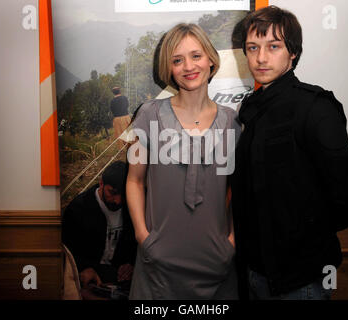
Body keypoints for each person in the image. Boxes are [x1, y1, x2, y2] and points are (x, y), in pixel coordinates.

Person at [231, 6, 348, 300]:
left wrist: (299, 236)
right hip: (254, 273)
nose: (261, 57)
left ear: (292, 52)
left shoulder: (316, 106)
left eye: (274, 46)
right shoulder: (251, 109)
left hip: (301, 280)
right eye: (253, 47)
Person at [126, 23, 241, 299]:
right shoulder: (148, 114)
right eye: (178, 60)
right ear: (169, 68)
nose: (189, 66)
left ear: (211, 60)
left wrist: (232, 243)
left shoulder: (235, 121)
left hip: (216, 265)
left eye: (196, 56)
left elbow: (241, 189)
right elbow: (134, 180)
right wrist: (143, 237)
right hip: (158, 266)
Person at [62, 161, 137, 291]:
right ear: (101, 183)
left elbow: (136, 244)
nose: (118, 200)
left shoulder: (132, 208)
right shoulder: (79, 208)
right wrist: (84, 267)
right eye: (112, 192)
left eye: (123, 195)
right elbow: (67, 249)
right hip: (88, 275)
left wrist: (131, 263)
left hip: (118, 277)